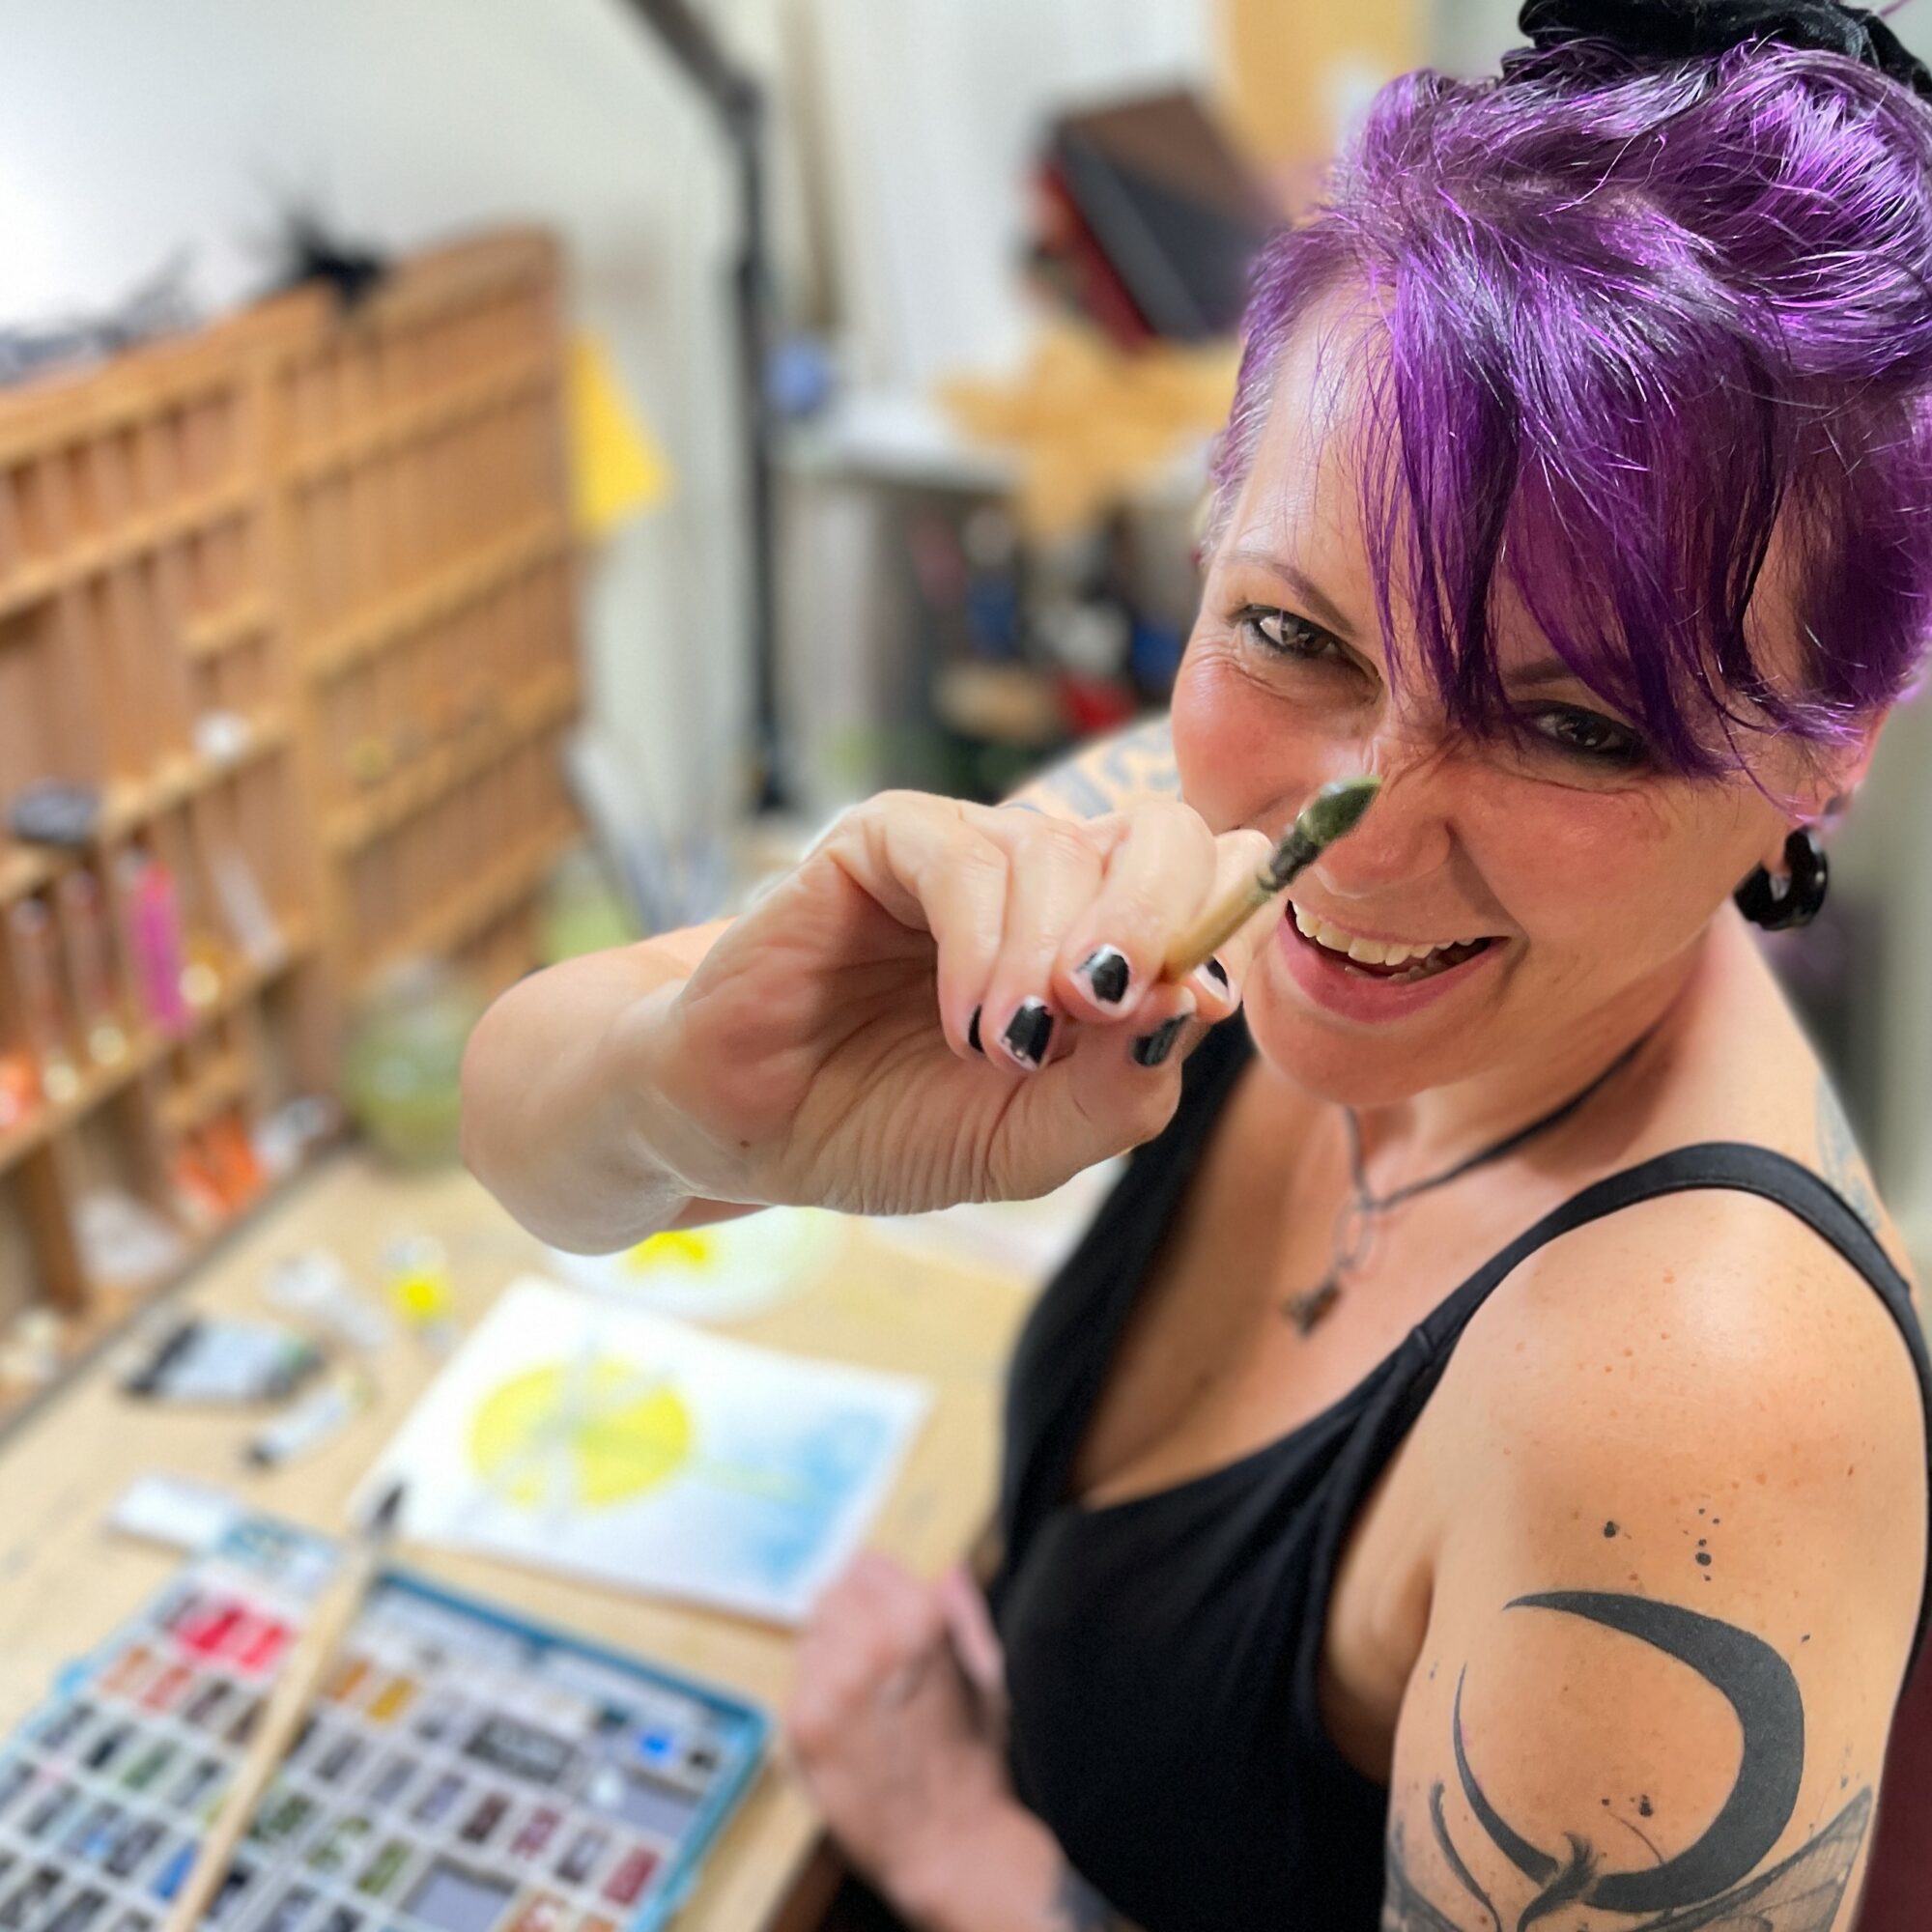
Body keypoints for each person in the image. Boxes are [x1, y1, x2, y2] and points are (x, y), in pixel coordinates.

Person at [460, 4, 1932, 1926]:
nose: (1356, 834)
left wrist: (970, 1858)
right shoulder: (1195, 824)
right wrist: (698, 1087)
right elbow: (524, 1126)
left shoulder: (1689, 1423)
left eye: (1573, 730)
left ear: (1825, 754)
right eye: (1297, 636)